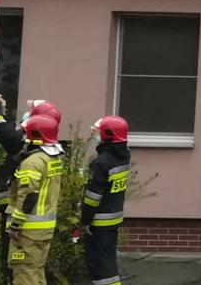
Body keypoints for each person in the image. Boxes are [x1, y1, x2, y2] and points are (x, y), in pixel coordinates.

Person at [6, 113, 66, 285]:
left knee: (25, 273)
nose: (24, 137)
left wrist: (16, 222)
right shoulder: (52, 158)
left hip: (28, 229)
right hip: (43, 229)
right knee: (36, 272)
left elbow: (28, 195)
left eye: (26, 133)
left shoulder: (32, 162)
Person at [81, 116, 133, 285]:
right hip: (113, 218)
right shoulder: (123, 156)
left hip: (99, 222)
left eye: (99, 132)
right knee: (109, 261)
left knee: (100, 265)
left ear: (108, 135)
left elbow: (92, 198)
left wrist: (85, 220)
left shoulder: (101, 162)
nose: (97, 135)